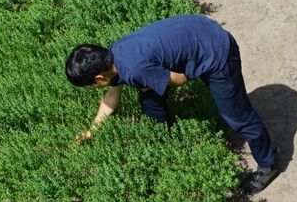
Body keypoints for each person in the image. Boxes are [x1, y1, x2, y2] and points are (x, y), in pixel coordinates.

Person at [64, 13, 279, 192]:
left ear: (99, 77)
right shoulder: (114, 54)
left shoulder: (135, 70)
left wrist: (152, 80)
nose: (93, 89)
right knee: (149, 95)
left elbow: (180, 79)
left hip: (218, 52)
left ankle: (267, 165)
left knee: (238, 116)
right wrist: (91, 131)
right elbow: (112, 97)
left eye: (90, 85)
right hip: (199, 29)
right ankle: (162, 138)